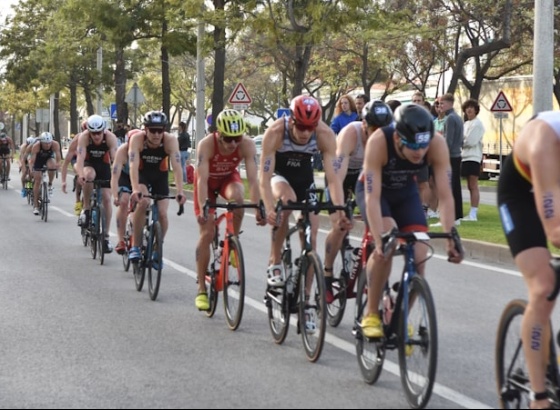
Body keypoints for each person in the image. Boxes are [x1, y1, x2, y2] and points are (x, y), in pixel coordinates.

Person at [359, 104, 463, 338]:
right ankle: (371, 312)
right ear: (397, 137)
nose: (419, 153)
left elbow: (446, 196)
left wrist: (450, 236)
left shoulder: (436, 144)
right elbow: (372, 198)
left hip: (406, 194)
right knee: (387, 243)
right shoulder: (379, 142)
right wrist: (379, 239)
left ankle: (400, 316)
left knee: (419, 258)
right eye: (412, 146)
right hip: (377, 194)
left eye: (423, 146)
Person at [259, 95, 350, 311]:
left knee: (312, 231)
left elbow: (334, 179)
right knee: (287, 201)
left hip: (304, 178)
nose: (305, 133)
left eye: (310, 127)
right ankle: (275, 259)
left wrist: (339, 208)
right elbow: (263, 177)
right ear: (291, 120)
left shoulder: (325, 134)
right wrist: (270, 208)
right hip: (279, 175)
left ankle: (305, 297)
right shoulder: (275, 132)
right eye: (301, 126)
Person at [497, 111, 560, 410]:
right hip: (521, 197)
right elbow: (555, 230)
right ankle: (539, 396)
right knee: (543, 287)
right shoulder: (545, 140)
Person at [194, 109, 264, 311]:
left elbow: (252, 179)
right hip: (207, 184)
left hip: (227, 178)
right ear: (218, 133)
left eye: (237, 138)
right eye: (228, 139)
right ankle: (201, 288)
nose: (233, 143)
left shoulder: (247, 145)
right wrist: (204, 209)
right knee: (207, 233)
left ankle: (232, 241)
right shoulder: (206, 145)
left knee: (239, 198)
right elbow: (201, 180)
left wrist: (259, 205)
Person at [323, 100, 393, 303]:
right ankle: (327, 273)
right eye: (373, 129)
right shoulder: (350, 134)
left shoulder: (387, 138)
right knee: (340, 224)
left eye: (382, 129)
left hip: (365, 179)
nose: (377, 133)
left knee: (380, 225)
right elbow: (336, 176)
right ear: (363, 123)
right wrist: (339, 207)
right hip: (342, 178)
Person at [128, 111, 186, 264]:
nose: (156, 134)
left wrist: (180, 191)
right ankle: (136, 245)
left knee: (162, 213)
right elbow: (133, 165)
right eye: (152, 130)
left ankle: (157, 246)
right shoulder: (137, 139)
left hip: (160, 176)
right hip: (142, 175)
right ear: (145, 130)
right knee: (144, 202)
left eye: (160, 130)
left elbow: (177, 166)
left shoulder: (170, 140)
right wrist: (135, 189)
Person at [75, 114, 118, 253]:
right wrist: (80, 174)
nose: (96, 136)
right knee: (89, 175)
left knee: (106, 198)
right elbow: (80, 158)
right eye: (93, 133)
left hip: (104, 166)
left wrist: (116, 179)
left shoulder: (110, 138)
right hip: (89, 164)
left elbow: (114, 160)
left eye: (99, 133)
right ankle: (86, 209)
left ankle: (105, 237)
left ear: (103, 131)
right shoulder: (84, 137)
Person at [430, 93, 463, 226]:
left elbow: (448, 141)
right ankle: (456, 216)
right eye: (439, 103)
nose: (440, 106)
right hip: (456, 155)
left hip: (449, 156)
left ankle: (447, 217)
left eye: (442, 103)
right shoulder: (458, 117)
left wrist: (440, 156)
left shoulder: (450, 118)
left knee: (446, 188)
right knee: (455, 187)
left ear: (449, 103)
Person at [461, 99, 485, 222]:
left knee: (473, 185)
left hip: (473, 157)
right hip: (464, 157)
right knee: (468, 186)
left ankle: (473, 213)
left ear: (476, 110)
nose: (469, 110)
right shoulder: (466, 124)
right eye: (467, 108)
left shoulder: (477, 124)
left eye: (472, 107)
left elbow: (470, 141)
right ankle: (469, 212)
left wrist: (461, 141)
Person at [29, 132, 62, 216]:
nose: (47, 145)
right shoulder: (36, 146)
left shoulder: (55, 144)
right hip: (38, 160)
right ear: (41, 142)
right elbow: (32, 161)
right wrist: (31, 170)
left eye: (49, 143)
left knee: (52, 166)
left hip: (49, 158)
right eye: (45, 143)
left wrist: (58, 164)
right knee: (37, 180)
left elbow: (58, 157)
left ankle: (50, 184)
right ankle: (36, 205)